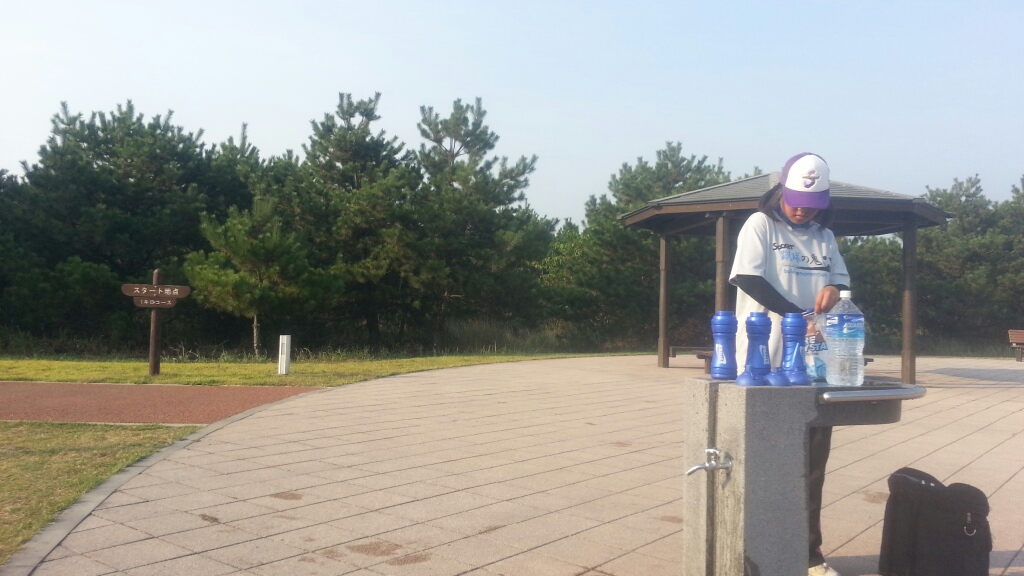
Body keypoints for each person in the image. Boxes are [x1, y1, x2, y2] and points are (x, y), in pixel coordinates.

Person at [729, 152, 850, 576]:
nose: (801, 210)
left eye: (811, 204)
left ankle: (809, 555)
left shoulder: (825, 237)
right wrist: (797, 315)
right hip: (762, 362)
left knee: (811, 467)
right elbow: (747, 277)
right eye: (796, 200)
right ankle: (751, 551)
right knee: (760, 461)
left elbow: (841, 282)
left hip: (813, 365)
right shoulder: (760, 225)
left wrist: (835, 290)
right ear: (781, 191)